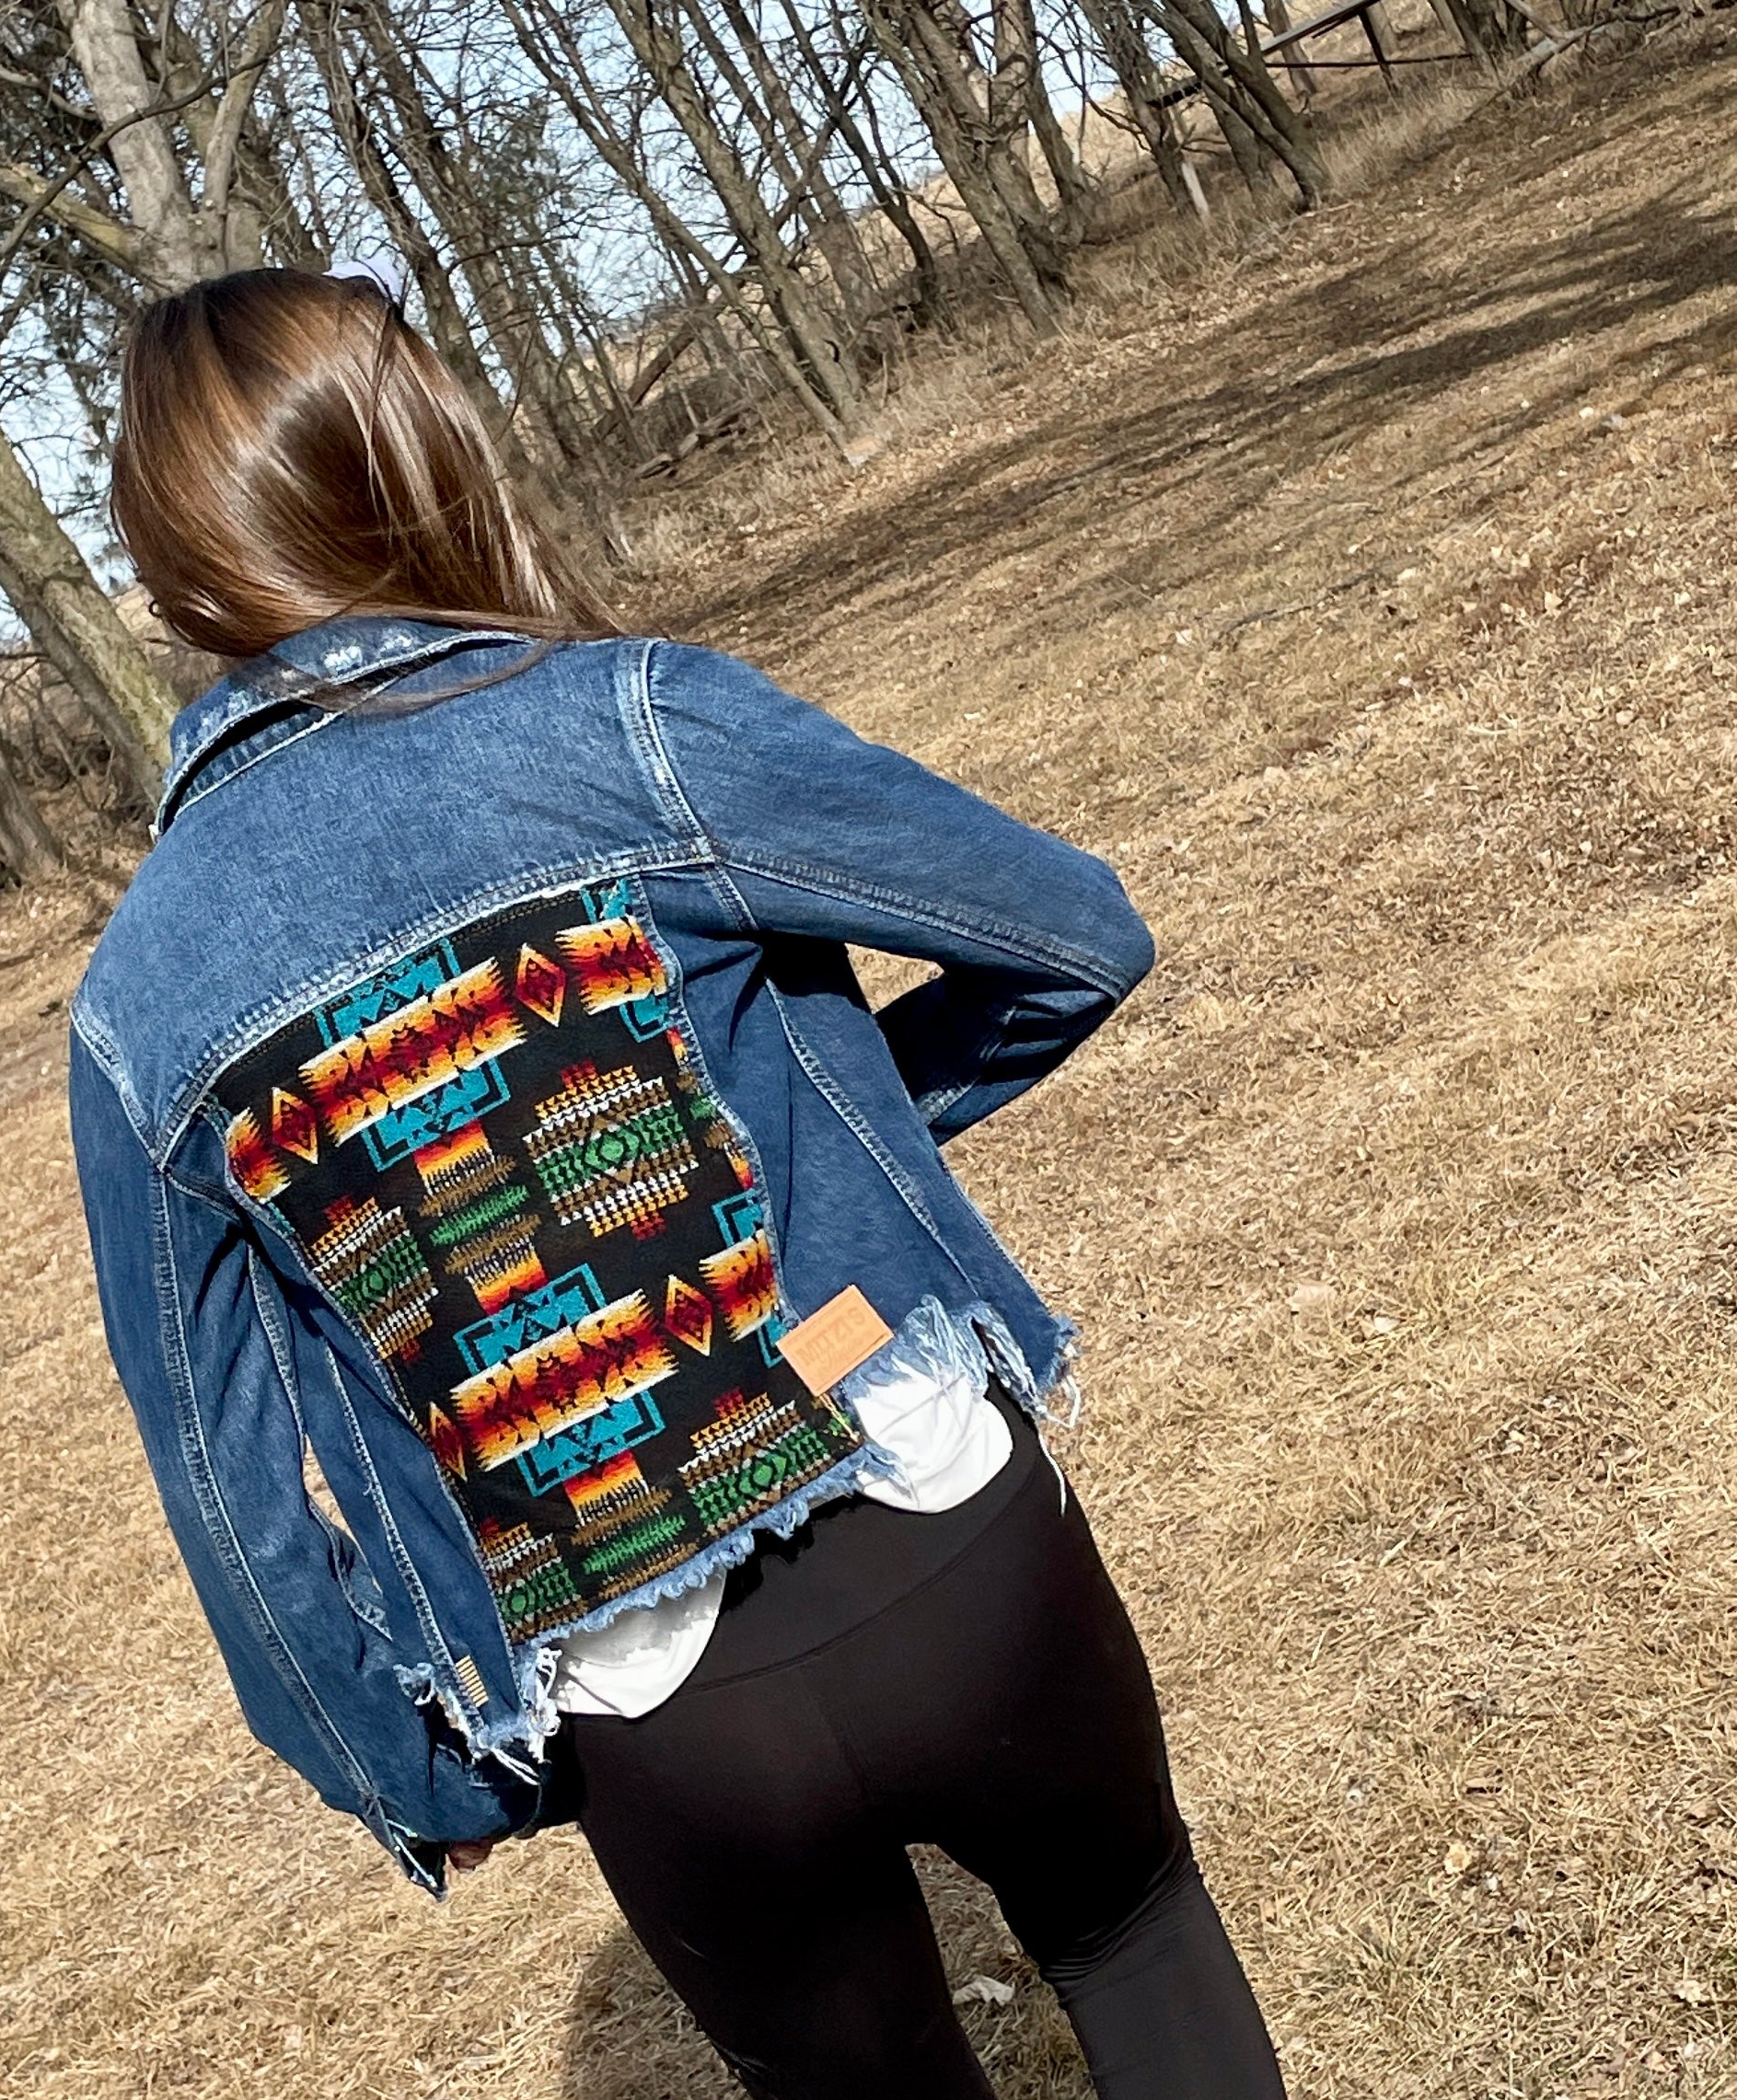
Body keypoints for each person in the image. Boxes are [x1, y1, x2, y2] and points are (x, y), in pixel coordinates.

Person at [71, 263, 1285, 2100]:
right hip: (935, 1520)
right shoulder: (632, 722)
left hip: (652, 1709)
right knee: (1137, 1944)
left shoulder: (141, 1000)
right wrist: (840, 1135)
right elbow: (1070, 935)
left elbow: (228, 1491)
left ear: (177, 574)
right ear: (430, 464)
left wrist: (405, 1766)